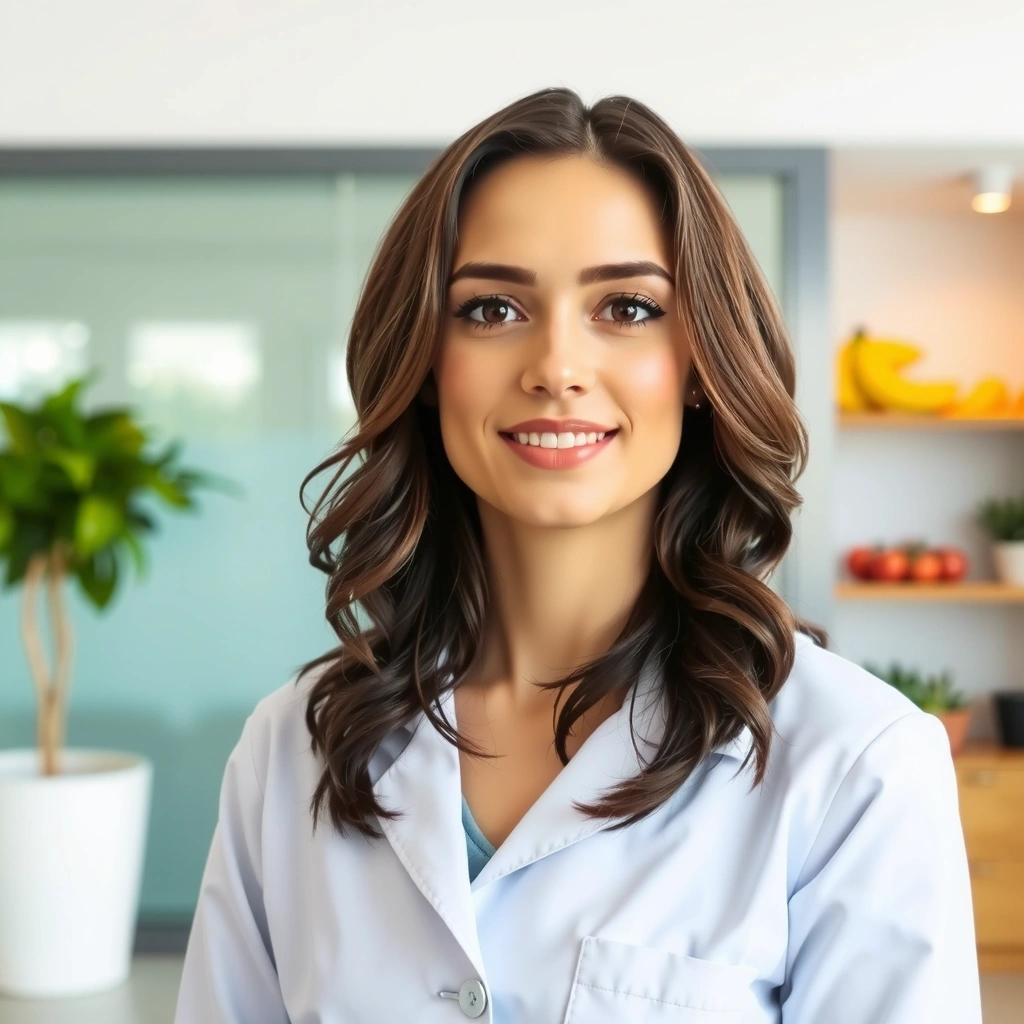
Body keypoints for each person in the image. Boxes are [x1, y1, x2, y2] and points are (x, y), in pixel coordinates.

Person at [174, 87, 982, 1023]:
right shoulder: (292, 750)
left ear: (699, 364)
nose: (556, 365)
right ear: (428, 363)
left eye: (629, 306)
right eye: (491, 308)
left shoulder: (856, 765)